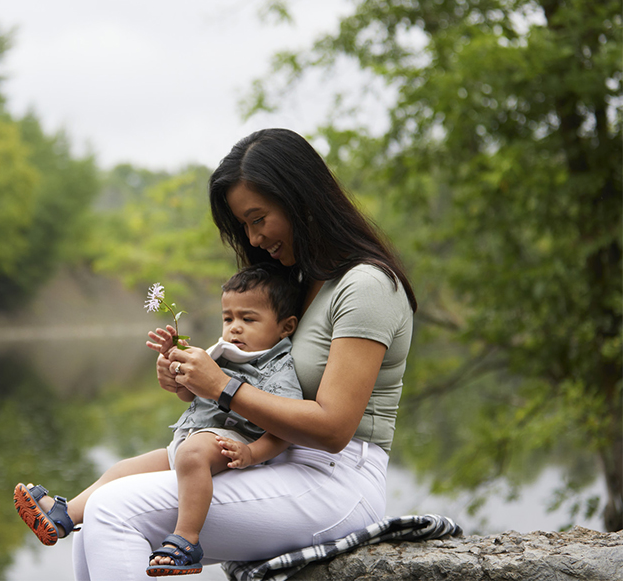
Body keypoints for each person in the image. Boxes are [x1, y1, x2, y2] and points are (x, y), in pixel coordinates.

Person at [70, 129, 417, 580]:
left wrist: (223, 388)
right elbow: (258, 382)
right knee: (93, 512)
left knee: (115, 508)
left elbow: (333, 428)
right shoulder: (294, 286)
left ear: (300, 199)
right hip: (268, 457)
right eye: (244, 226)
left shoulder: (365, 285)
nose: (253, 239)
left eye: (258, 219)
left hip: (337, 480)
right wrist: (191, 381)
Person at [13, 263, 305, 576]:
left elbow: (286, 429)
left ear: (286, 327)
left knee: (193, 455)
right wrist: (174, 375)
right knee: (122, 470)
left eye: (248, 319)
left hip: (234, 441)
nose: (234, 328)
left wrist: (252, 454)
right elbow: (193, 396)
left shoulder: (279, 370)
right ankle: (64, 516)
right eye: (228, 318)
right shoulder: (222, 353)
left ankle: (186, 539)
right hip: (192, 439)